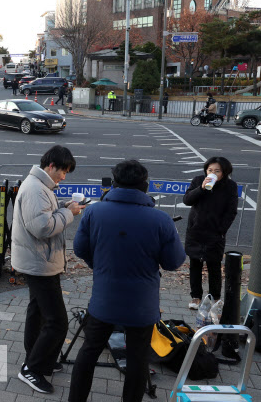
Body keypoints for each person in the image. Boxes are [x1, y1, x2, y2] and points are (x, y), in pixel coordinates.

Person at [69, 160, 185, 402]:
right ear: (145, 185)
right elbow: (173, 262)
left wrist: (99, 266)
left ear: (114, 183)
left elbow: (80, 249)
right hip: (141, 305)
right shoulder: (161, 220)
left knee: (89, 350)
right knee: (138, 357)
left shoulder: (93, 212)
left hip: (104, 299)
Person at [12, 145, 84, 394]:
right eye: (63, 171)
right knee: (57, 322)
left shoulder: (42, 187)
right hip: (39, 263)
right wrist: (69, 212)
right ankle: (31, 369)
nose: (64, 176)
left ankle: (38, 358)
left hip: (38, 260)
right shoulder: (35, 189)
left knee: (38, 312)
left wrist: (62, 206)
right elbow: (42, 228)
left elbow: (43, 216)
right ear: (50, 166)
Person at [183, 157, 238, 310]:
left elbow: (231, 211)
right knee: (195, 265)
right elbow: (187, 200)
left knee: (214, 266)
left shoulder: (230, 186)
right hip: (196, 230)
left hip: (215, 233)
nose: (213, 173)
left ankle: (215, 298)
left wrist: (221, 230)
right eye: (210, 170)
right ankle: (196, 297)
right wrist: (201, 188)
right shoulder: (198, 180)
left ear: (224, 172)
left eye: (217, 171)